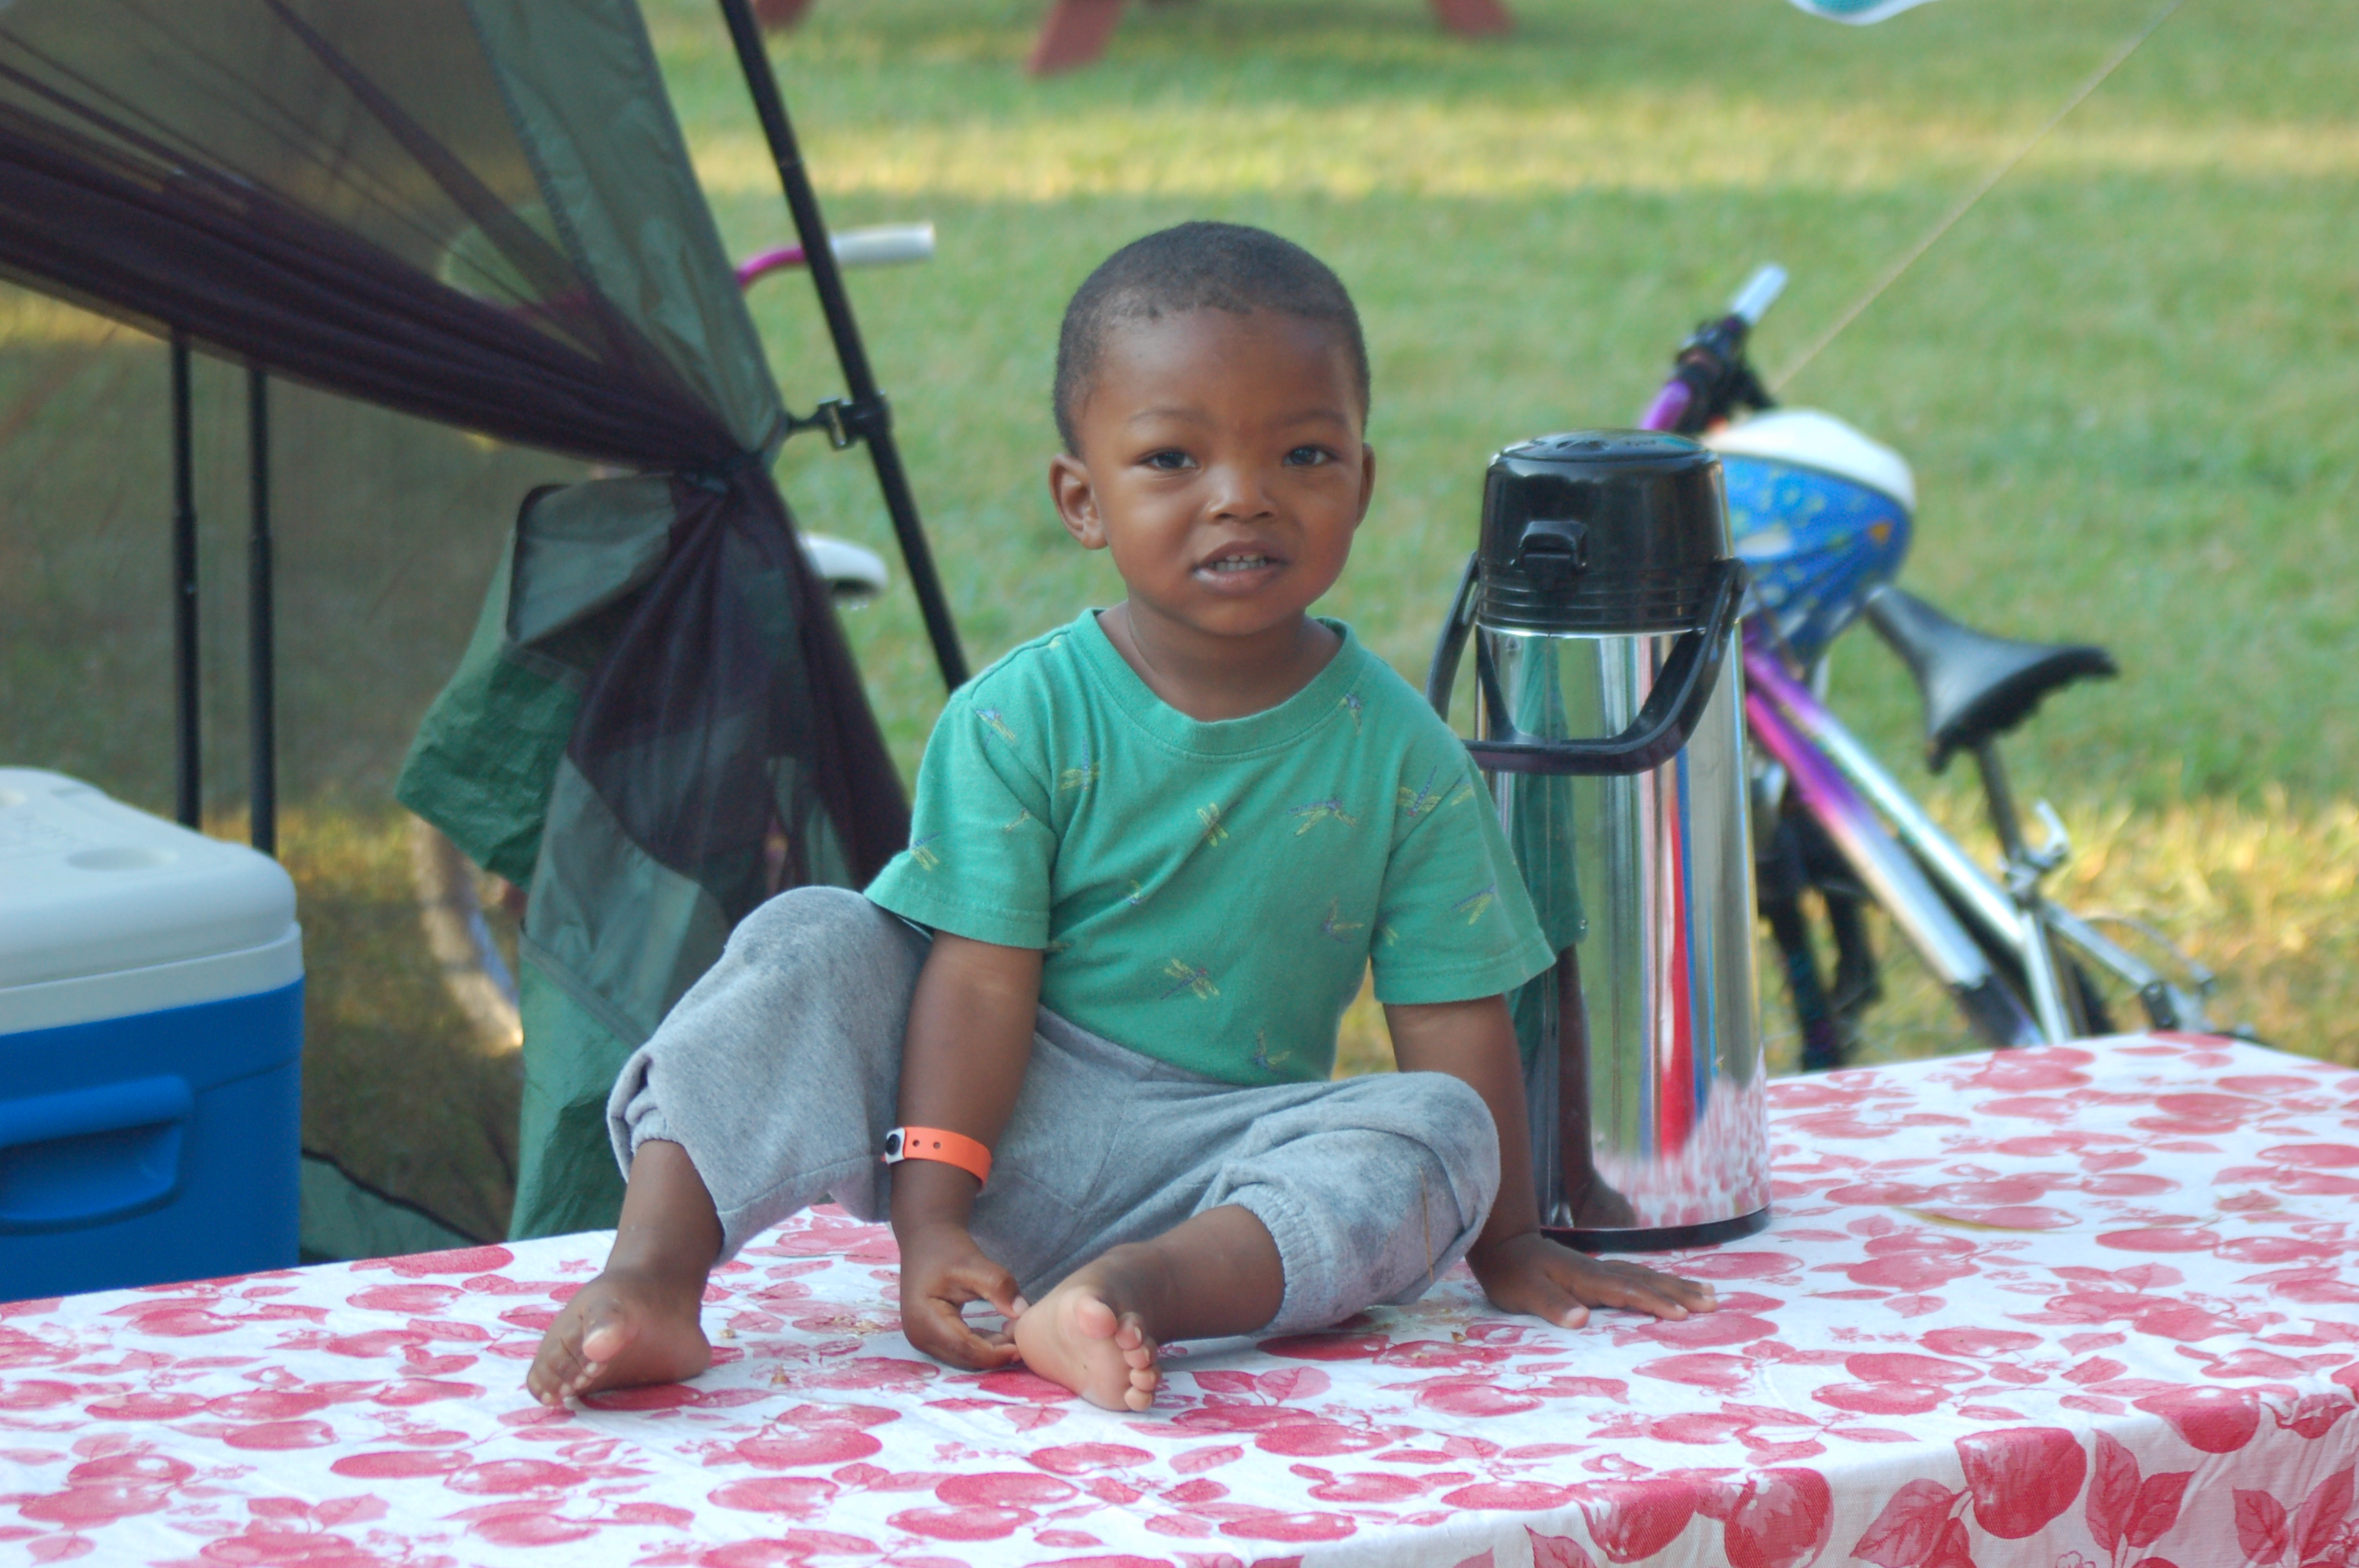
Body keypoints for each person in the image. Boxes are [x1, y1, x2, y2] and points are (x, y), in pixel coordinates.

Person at [526, 221, 1714, 1414]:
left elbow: (1450, 1013)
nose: (1242, 497)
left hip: (1214, 1173)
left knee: (1442, 1124)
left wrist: (1506, 1243)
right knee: (814, 938)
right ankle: (654, 1275)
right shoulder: (1020, 716)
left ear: (1363, 481)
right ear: (1082, 500)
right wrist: (933, 1224)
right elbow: (978, 983)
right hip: (983, 1120)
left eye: (1304, 453)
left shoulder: (1404, 750)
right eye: (1172, 460)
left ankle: (1129, 1295)